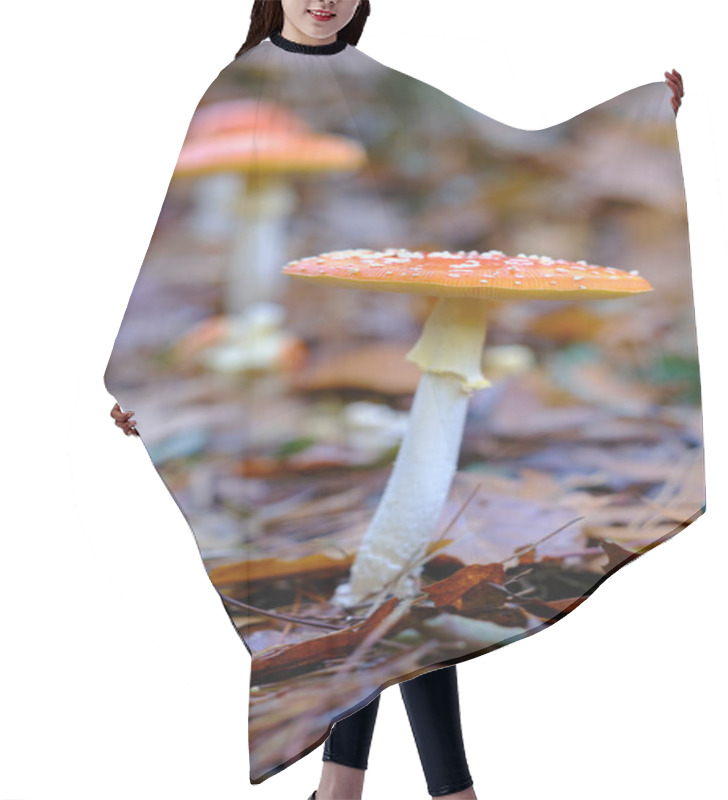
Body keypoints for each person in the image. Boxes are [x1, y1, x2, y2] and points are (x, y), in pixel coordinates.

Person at [109, 3, 685, 799]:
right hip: (242, 408)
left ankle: (354, 786)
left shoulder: (376, 77)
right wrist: (132, 381)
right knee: (387, 605)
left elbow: (506, 135)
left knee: (390, 606)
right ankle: (419, 788)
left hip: (308, 409)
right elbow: (157, 228)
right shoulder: (234, 79)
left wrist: (639, 106)